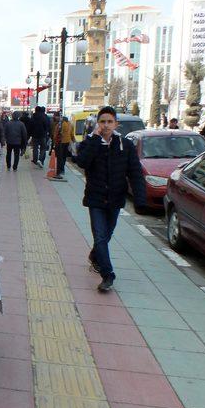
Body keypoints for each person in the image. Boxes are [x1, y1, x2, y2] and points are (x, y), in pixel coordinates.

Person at [76, 106, 146, 292]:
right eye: (102, 122)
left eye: (109, 122)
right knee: (100, 236)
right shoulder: (90, 142)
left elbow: (135, 173)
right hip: (96, 199)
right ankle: (108, 275)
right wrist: (95, 139)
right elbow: (82, 162)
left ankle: (95, 255)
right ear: (97, 124)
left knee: (106, 236)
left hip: (115, 199)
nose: (106, 125)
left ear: (116, 124)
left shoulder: (125, 145)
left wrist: (140, 199)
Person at [50, 111, 75, 179]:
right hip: (66, 142)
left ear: (58, 117)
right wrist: (73, 140)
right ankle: (62, 170)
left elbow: (57, 134)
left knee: (59, 158)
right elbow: (72, 134)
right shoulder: (70, 124)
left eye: (55, 116)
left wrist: (54, 142)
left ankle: (58, 172)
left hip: (60, 142)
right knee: (63, 157)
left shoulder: (60, 124)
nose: (54, 117)